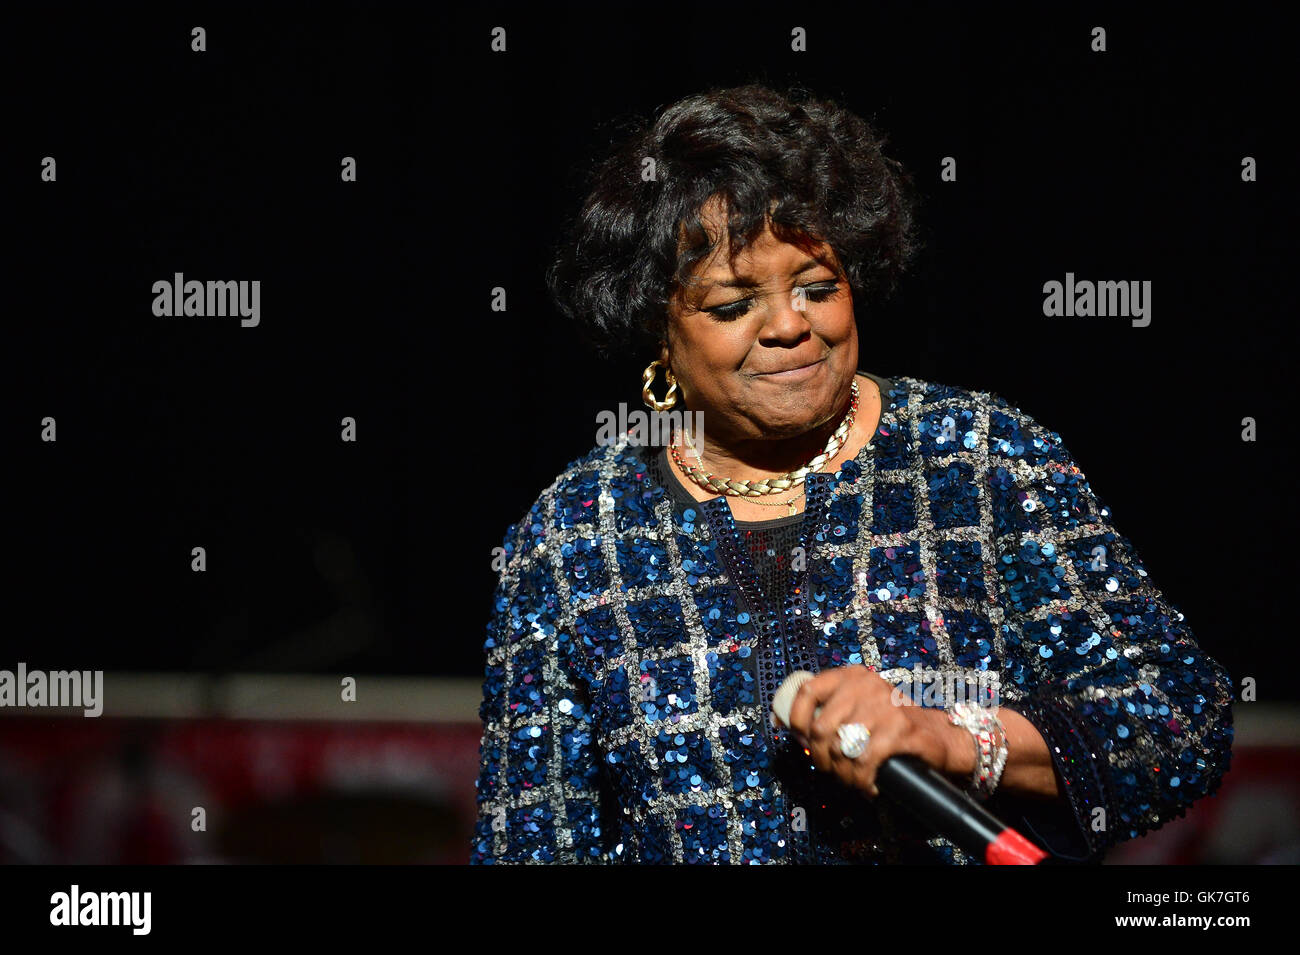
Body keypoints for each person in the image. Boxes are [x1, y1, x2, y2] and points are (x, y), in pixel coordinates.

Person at [469, 83, 1234, 864]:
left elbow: (1179, 723)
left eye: (818, 287)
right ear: (658, 335)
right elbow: (526, 841)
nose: (790, 324)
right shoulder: (575, 534)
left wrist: (949, 737)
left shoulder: (976, 457)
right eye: (734, 305)